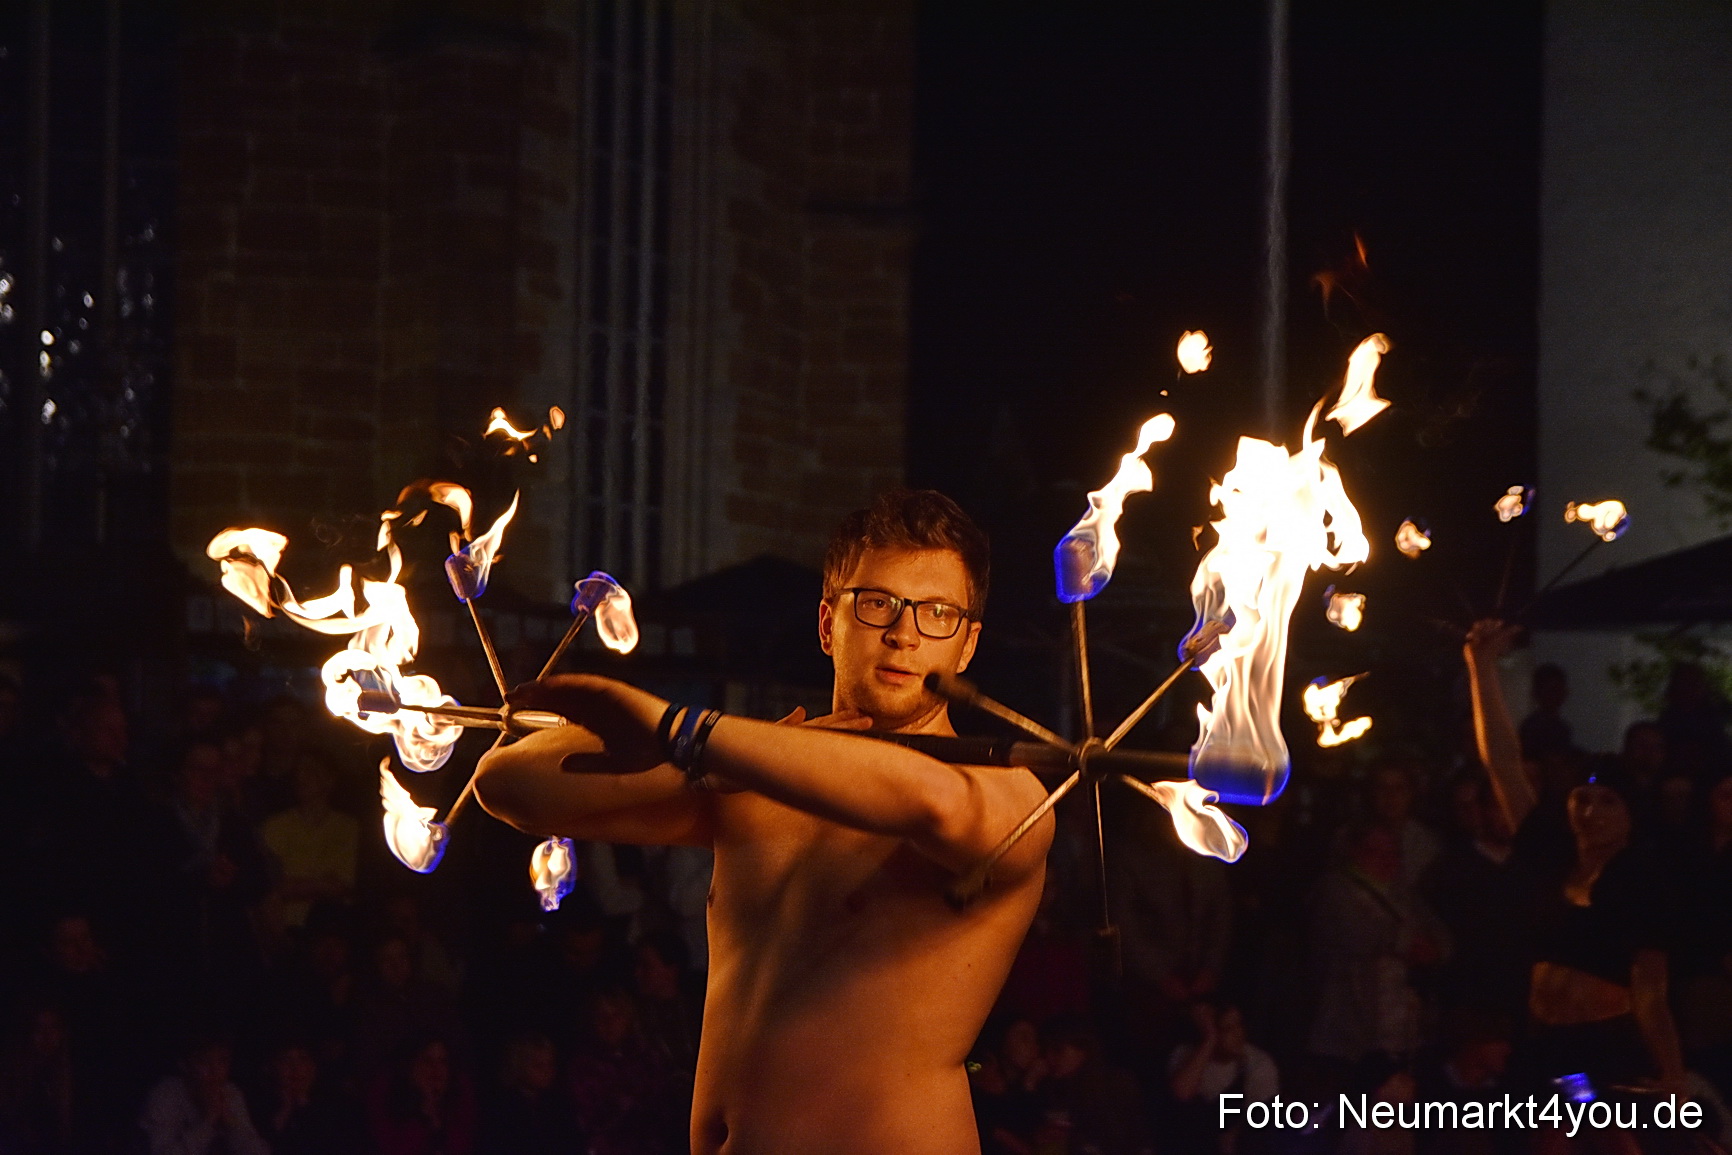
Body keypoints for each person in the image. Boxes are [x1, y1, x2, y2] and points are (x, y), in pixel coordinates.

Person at [475, 489, 1052, 1154]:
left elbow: (931, 803)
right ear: (828, 622)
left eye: (939, 614)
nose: (904, 631)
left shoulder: (1008, 792)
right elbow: (511, 783)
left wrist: (687, 732)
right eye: (877, 603)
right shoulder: (745, 771)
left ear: (969, 644)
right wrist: (702, 758)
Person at [1464, 621, 1687, 1142]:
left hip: (1607, 1046)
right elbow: (1502, 761)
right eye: (1582, 799)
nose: (1591, 811)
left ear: (1632, 815)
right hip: (1545, 1041)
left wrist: (1673, 1073)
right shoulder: (1550, 851)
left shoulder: (1641, 883)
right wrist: (1482, 667)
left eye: (1608, 802)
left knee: (1614, 1145)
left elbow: (1651, 992)